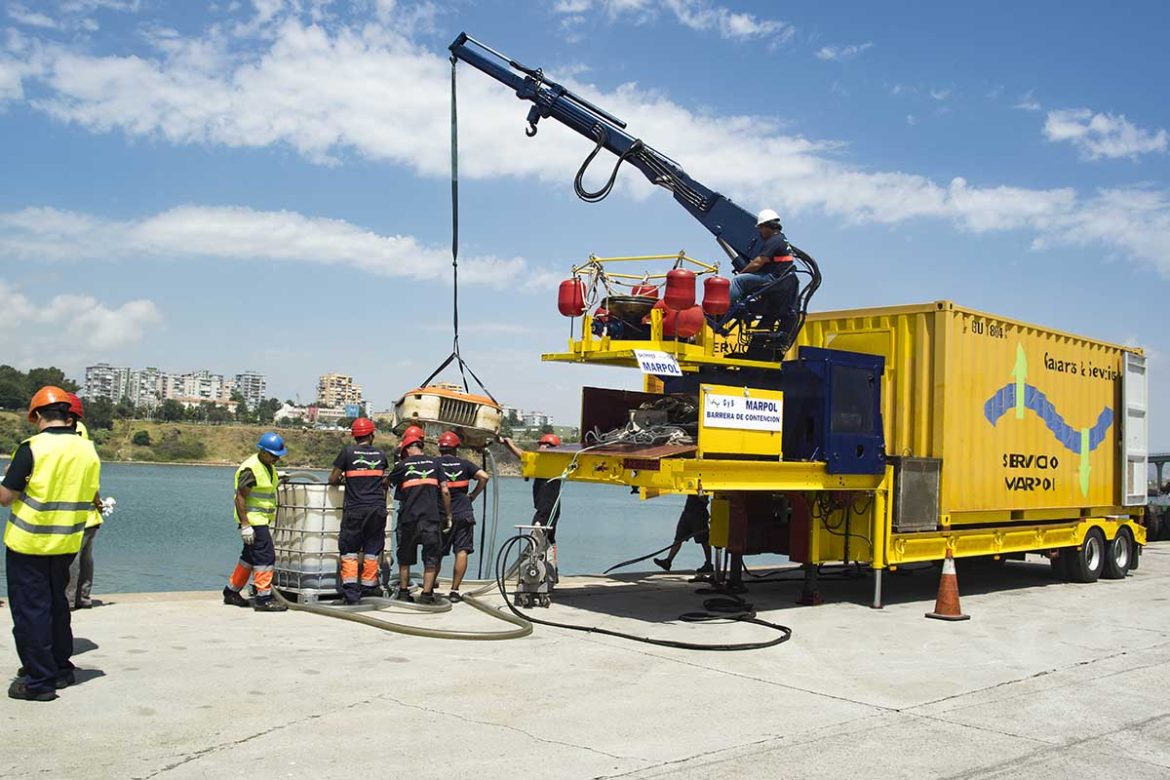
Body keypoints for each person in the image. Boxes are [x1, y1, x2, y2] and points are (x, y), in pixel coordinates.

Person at [0, 386, 102, 701]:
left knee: (30, 611)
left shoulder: (31, 448)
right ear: (69, 417)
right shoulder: (88, 450)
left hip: (28, 543)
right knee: (57, 605)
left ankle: (38, 680)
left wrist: (8, 479)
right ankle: (59, 667)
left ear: (38, 416)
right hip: (66, 542)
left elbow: (6, 498)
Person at [223, 432, 288, 612]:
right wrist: (245, 525)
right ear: (263, 452)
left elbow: (265, 485)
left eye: (278, 456)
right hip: (253, 521)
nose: (276, 459)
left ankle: (231, 592)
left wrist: (279, 477)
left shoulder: (267, 465)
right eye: (274, 456)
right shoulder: (251, 469)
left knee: (249, 557)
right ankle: (263, 598)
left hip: (260, 520)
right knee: (265, 557)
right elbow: (240, 498)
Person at [328, 418, 390, 604]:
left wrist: (345, 481)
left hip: (355, 509)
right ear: (371, 435)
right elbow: (384, 480)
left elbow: (332, 479)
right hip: (377, 509)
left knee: (349, 550)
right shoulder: (380, 454)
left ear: (355, 436)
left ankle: (351, 594)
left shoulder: (347, 453)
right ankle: (370, 589)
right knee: (372, 550)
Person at [387, 430, 451, 605]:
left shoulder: (403, 465)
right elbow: (445, 490)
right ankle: (427, 595)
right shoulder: (436, 464)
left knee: (405, 558)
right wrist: (448, 514)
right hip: (431, 518)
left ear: (407, 449)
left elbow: (385, 483)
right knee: (431, 558)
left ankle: (403, 592)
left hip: (409, 519)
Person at [436, 431, 489, 601]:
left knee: (436, 552)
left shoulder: (434, 464)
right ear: (456, 447)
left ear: (440, 448)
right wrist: (473, 495)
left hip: (442, 514)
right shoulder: (465, 465)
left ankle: (428, 587)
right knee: (461, 551)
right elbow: (484, 476)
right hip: (464, 512)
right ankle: (454, 590)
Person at [64, 392, 102, 610]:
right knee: (86, 557)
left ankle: (69, 599)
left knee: (74, 558)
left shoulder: (71, 438)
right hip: (90, 511)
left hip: (78, 513)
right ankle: (84, 596)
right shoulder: (85, 442)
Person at [500, 433, 562, 543]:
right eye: (541, 444)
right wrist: (508, 445)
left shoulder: (556, 463)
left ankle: (543, 552)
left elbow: (522, 455)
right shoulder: (538, 461)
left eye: (546, 445)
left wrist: (509, 444)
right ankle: (544, 551)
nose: (542, 447)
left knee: (540, 532)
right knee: (544, 534)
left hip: (547, 508)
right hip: (543, 508)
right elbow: (523, 455)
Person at [729, 208, 796, 308]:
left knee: (739, 280)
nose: (760, 231)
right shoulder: (782, 238)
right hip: (782, 279)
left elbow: (757, 263)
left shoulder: (773, 241)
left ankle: (723, 309)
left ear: (767, 226)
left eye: (760, 228)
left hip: (774, 278)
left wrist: (742, 273)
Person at [653, 495, 714, 575]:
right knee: (678, 538)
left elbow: (704, 498)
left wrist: (702, 498)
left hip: (698, 513)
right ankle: (668, 561)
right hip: (688, 512)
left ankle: (708, 564)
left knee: (703, 540)